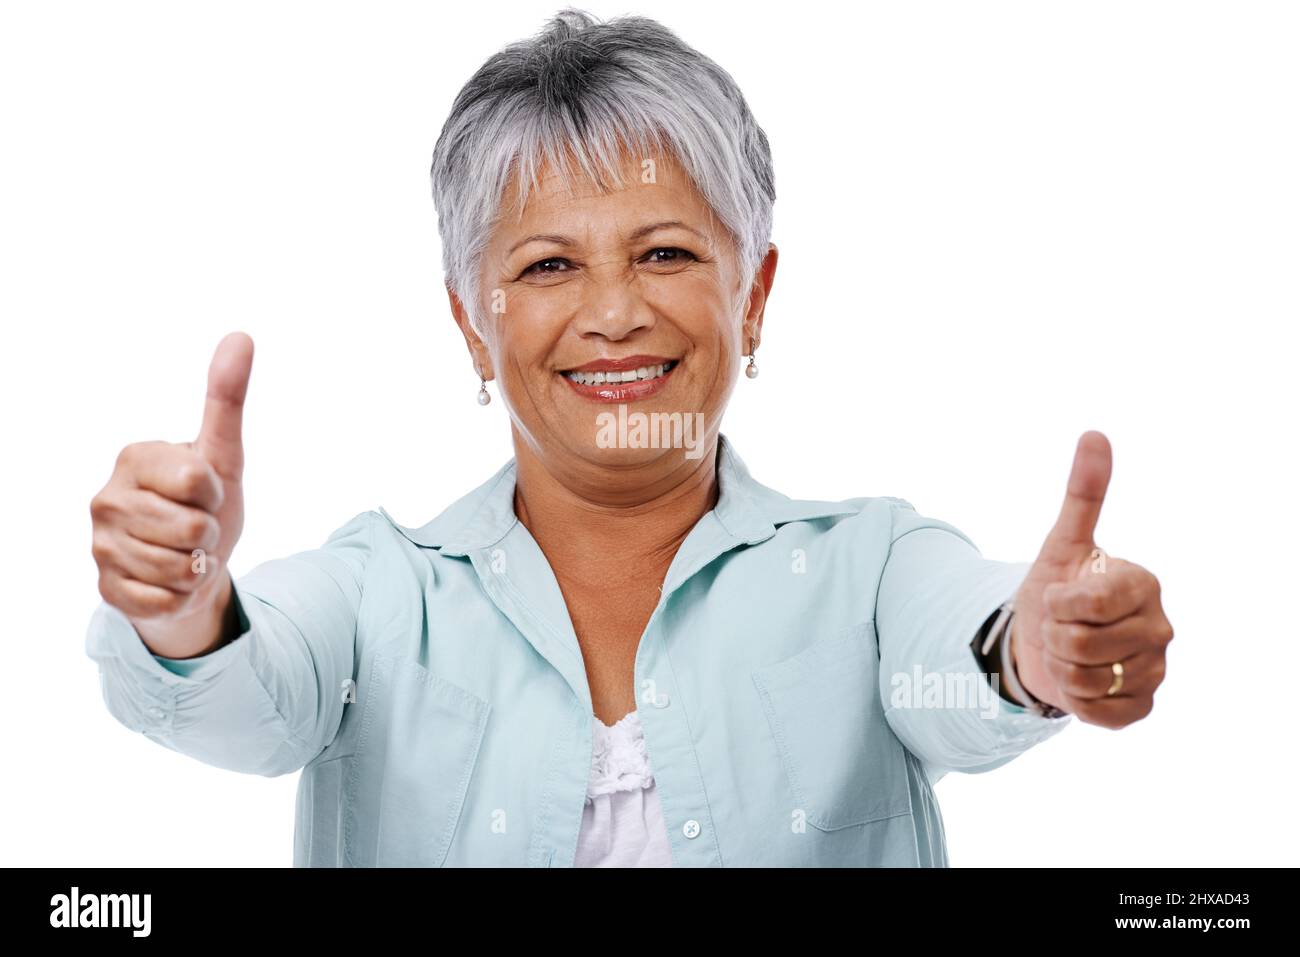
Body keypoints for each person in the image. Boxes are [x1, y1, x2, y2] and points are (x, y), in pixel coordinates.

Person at [84, 8, 1174, 867]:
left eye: (664, 254)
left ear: (753, 298)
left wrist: (1038, 653)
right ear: (473, 321)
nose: (613, 313)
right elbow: (239, 699)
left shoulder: (872, 572)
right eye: (548, 266)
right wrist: (181, 601)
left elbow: (968, 654)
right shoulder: (375, 599)